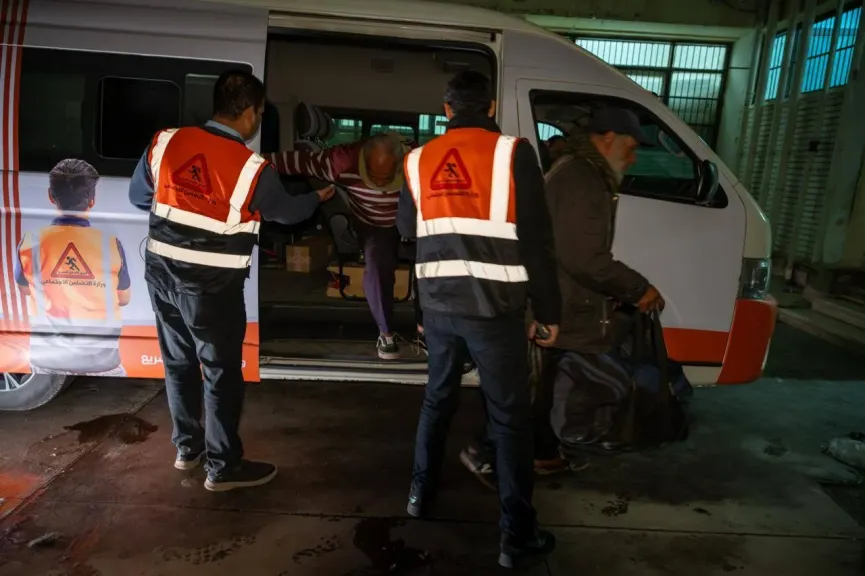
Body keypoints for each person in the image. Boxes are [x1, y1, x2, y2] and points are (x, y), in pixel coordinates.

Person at [129, 69, 332, 492]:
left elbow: (139, 197)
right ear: (251, 113)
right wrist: (316, 197)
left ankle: (188, 450)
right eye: (260, 113)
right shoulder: (252, 168)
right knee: (221, 373)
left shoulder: (165, 141)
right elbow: (287, 214)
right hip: (211, 289)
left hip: (161, 278)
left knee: (178, 364)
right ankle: (222, 467)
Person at [397, 70, 561, 570]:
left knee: (437, 400)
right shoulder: (513, 154)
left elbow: (409, 231)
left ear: (447, 110)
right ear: (490, 107)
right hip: (494, 310)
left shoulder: (418, 159)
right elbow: (537, 240)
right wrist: (548, 312)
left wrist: (419, 312)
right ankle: (515, 537)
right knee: (509, 419)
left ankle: (418, 497)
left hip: (439, 308)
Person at [460, 107, 666, 478]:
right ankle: (485, 451)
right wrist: (637, 289)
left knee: (543, 385)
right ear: (608, 139)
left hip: (559, 299)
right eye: (631, 147)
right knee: (531, 388)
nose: (633, 158)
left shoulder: (580, 172)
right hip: (552, 304)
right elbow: (583, 257)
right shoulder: (582, 179)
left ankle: (540, 453)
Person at [267, 132, 410, 360]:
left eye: (387, 178)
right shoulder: (342, 162)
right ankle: (386, 334)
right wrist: (248, 161)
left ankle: (428, 329)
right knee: (377, 260)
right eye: (374, 177)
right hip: (372, 225)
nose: (381, 185)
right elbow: (295, 161)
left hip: (408, 220)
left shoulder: (416, 161)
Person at [16, 159, 131, 376]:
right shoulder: (110, 243)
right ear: (92, 200)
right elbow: (123, 298)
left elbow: (25, 288)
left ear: (51, 196)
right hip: (102, 361)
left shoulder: (31, 241)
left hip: (48, 358)